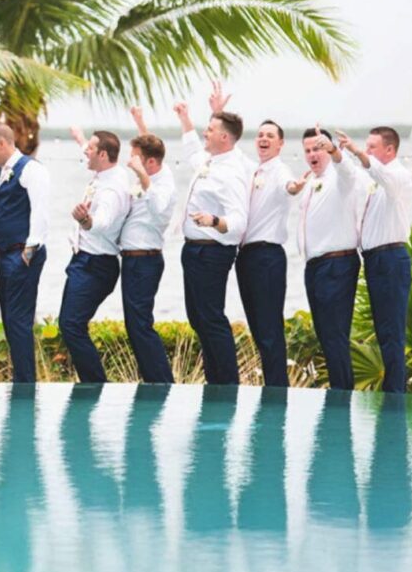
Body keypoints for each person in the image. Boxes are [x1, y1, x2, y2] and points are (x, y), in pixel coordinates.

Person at [174, 83, 250, 384]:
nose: (206, 132)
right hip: (193, 250)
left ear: (224, 137)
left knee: (212, 318)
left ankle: (227, 384)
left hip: (212, 252)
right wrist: (185, 117)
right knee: (198, 318)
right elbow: (193, 148)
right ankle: (213, 380)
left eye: (211, 127)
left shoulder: (231, 171)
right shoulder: (210, 161)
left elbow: (239, 221)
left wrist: (214, 219)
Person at [337, 127, 412, 393]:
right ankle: (392, 392)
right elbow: (353, 172)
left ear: (389, 150)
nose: (366, 151)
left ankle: (395, 396)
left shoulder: (400, 177)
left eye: (372, 147)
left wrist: (358, 153)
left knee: (392, 333)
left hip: (391, 258)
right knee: (384, 331)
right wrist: (336, 151)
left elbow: (381, 174)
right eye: (366, 146)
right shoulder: (374, 179)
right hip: (373, 260)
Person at [0, 122, 50, 383]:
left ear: (2, 143)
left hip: (23, 253)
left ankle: (25, 383)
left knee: (19, 320)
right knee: (9, 320)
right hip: (3, 254)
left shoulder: (31, 169)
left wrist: (29, 250)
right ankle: (21, 376)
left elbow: (40, 210)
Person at [236, 120, 303, 387]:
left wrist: (295, 187)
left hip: (267, 256)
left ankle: (277, 390)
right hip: (246, 257)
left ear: (280, 143)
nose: (264, 139)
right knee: (258, 329)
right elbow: (233, 154)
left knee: (269, 329)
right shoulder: (254, 170)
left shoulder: (280, 170)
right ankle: (271, 386)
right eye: (260, 135)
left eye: (270, 135)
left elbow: (289, 185)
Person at [59, 131, 130, 382]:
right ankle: (94, 382)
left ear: (102, 154)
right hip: (86, 261)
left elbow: (103, 222)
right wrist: (81, 140)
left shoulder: (112, 188)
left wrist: (85, 220)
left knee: (71, 325)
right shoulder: (105, 173)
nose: (85, 152)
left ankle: (96, 384)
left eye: (90, 149)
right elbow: (90, 153)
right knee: (71, 324)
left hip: (95, 265)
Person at [300, 126, 365, 391]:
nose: (313, 154)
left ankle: (342, 397)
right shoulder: (311, 181)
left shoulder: (340, 177)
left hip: (336, 265)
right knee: (326, 336)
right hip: (314, 267)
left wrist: (335, 150)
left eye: (317, 148)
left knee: (336, 336)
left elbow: (348, 172)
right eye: (308, 150)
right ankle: (339, 393)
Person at [119, 108, 177, 383]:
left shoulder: (162, 184)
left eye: (136, 159)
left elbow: (157, 208)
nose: (130, 162)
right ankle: (152, 379)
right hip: (132, 259)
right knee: (134, 325)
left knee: (140, 325)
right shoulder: (154, 173)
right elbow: (149, 147)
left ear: (150, 163)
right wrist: (140, 123)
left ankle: (162, 382)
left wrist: (142, 176)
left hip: (145, 260)